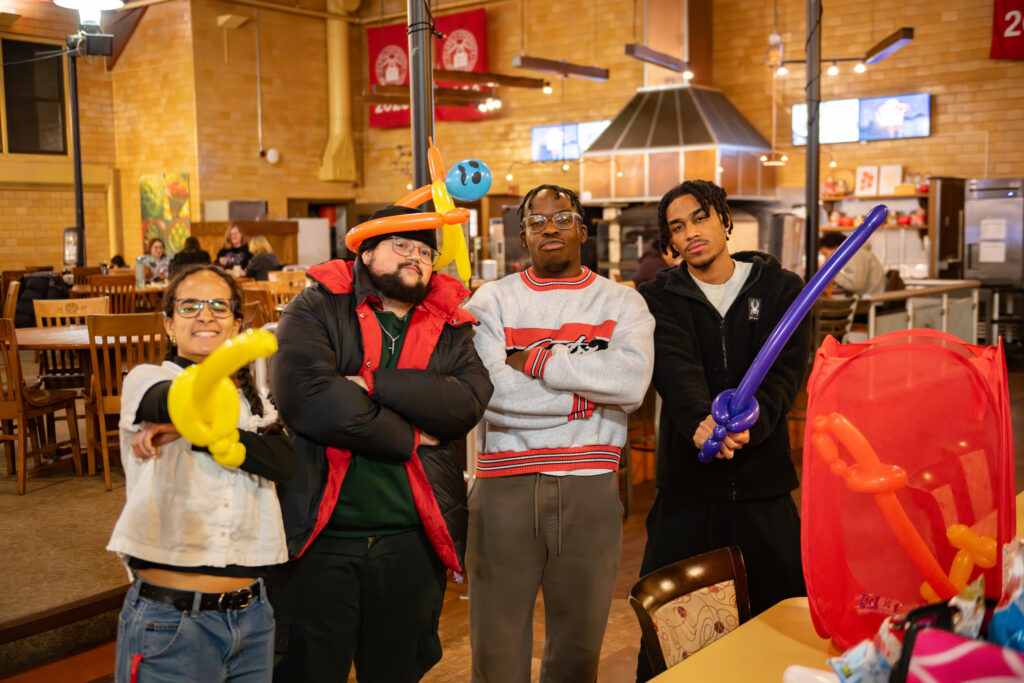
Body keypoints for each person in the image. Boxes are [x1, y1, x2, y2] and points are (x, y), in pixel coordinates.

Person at [268, 206, 493, 682]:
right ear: (366, 253)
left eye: (425, 252)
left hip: (412, 542)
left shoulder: (452, 325)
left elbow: (467, 404)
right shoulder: (316, 307)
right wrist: (410, 435)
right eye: (401, 246)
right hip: (319, 539)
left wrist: (370, 383)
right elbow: (308, 399)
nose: (416, 258)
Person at [464, 185, 655, 683]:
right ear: (522, 236)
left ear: (583, 230)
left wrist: (536, 361)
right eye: (537, 221)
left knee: (578, 647)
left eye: (563, 218)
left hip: (590, 485)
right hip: (504, 486)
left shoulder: (623, 303)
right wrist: (584, 398)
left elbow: (630, 384)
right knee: (496, 646)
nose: (550, 228)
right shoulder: (491, 300)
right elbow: (489, 392)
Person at [635, 179, 809, 681]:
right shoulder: (658, 296)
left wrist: (754, 424)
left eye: (700, 217)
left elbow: (786, 372)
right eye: (677, 227)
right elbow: (675, 367)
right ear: (669, 242)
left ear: (724, 219)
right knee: (671, 628)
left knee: (785, 619)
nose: (691, 232)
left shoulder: (781, 289)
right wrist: (700, 421)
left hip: (763, 482)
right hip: (688, 485)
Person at [107, 264, 297, 682]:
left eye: (218, 306)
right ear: (169, 324)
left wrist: (198, 431)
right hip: (171, 621)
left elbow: (285, 462)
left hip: (252, 618)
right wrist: (212, 428)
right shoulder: (147, 379)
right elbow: (174, 401)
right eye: (189, 306)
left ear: (236, 323)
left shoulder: (254, 400)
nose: (205, 315)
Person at [819, 232, 885, 296]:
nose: (826, 258)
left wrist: (831, 274)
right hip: (865, 297)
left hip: (871, 300)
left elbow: (856, 285)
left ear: (836, 248)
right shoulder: (854, 254)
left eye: (825, 254)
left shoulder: (857, 254)